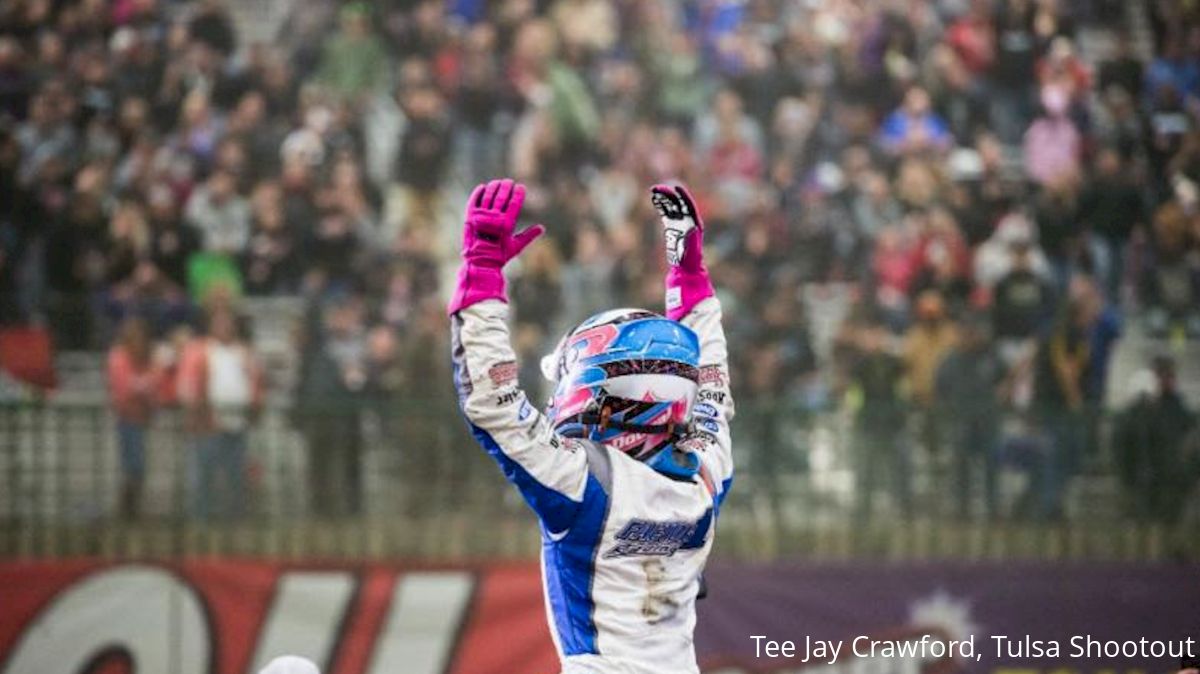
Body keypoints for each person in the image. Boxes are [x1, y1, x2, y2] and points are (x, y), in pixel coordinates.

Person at [448, 179, 733, 674]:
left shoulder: (584, 486)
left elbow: (492, 404)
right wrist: (690, 280)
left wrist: (482, 274)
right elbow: (711, 388)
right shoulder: (706, 476)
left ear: (605, 388)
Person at [178, 304, 264, 519]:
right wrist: (195, 409)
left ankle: (235, 526)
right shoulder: (199, 349)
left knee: (237, 479)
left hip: (238, 424)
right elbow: (187, 385)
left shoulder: (243, 351)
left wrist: (255, 408)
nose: (225, 326)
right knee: (203, 479)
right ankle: (202, 525)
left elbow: (257, 382)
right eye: (219, 322)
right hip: (207, 425)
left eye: (228, 322)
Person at [106, 317, 162, 519]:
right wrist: (143, 387)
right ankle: (126, 511)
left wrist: (143, 388)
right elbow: (125, 389)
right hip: (126, 420)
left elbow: (155, 385)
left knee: (138, 468)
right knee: (134, 467)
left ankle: (131, 511)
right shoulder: (118, 356)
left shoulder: (149, 357)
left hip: (144, 419)